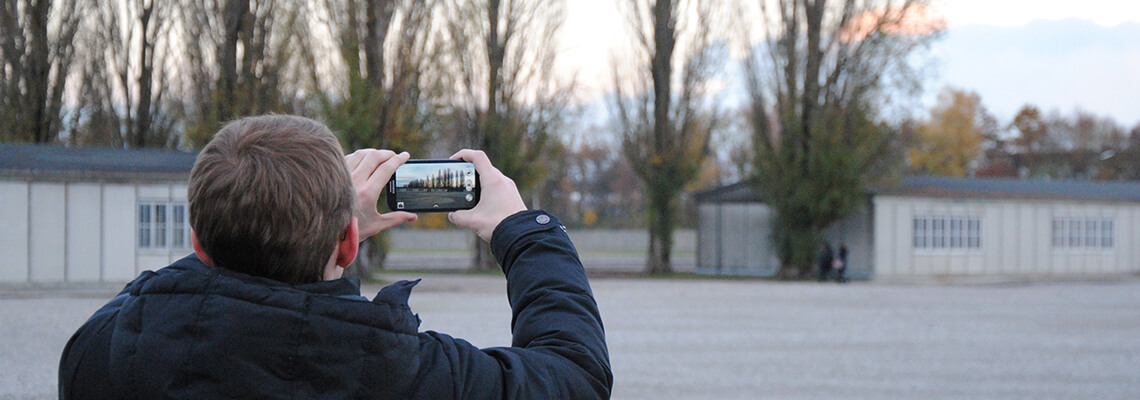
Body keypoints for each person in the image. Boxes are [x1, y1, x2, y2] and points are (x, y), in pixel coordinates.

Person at [58, 115, 612, 399]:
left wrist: (313, 227)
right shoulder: (399, 372)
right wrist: (527, 231)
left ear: (200, 243)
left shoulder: (103, 354)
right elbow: (575, 376)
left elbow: (159, 290)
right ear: (348, 245)